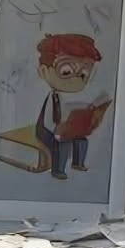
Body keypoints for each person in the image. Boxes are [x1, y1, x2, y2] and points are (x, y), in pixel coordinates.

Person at [32, 33, 105, 180]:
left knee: (81, 140)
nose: (76, 80)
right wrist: (58, 130)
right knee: (62, 142)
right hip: (47, 130)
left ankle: (78, 163)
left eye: (83, 74)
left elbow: (71, 109)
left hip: (64, 128)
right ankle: (58, 170)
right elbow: (49, 119)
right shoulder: (53, 98)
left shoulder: (65, 96)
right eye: (66, 72)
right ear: (44, 71)